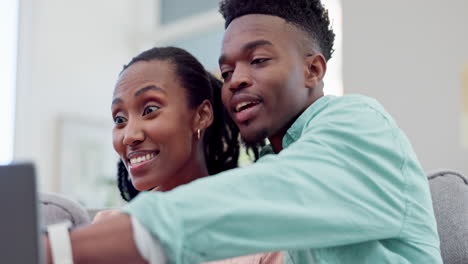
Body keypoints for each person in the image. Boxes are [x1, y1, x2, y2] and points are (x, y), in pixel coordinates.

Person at [44, 0, 443, 263]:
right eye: (229, 71)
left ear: (313, 70)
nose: (234, 81)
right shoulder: (278, 173)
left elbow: (278, 191)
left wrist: (56, 250)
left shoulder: (359, 124)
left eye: (259, 60)